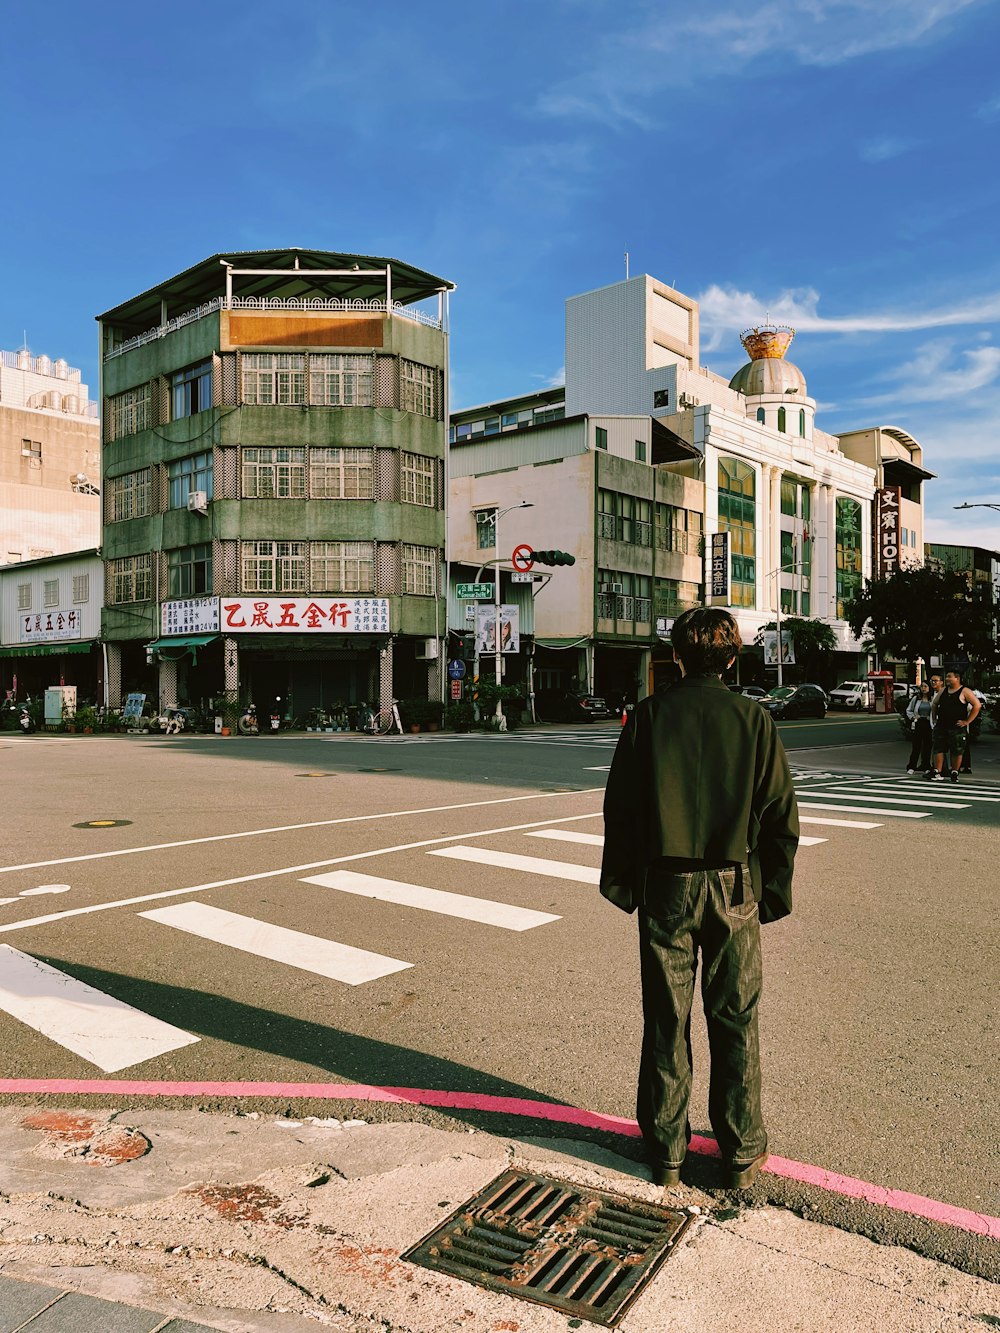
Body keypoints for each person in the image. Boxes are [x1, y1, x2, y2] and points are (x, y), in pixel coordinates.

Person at [600, 607, 799, 1191]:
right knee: (735, 1016)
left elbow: (623, 808)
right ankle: (740, 1152)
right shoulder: (754, 719)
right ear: (732, 659)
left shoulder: (648, 718)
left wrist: (625, 882)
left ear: (677, 656)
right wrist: (770, 888)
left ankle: (666, 1150)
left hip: (666, 881)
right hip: (734, 881)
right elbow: (779, 813)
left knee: (667, 1017)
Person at [927, 668, 980, 783]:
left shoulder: (965, 691)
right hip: (941, 725)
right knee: (938, 748)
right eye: (946, 677)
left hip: (956, 727)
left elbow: (977, 705)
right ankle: (937, 770)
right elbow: (935, 704)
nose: (947, 679)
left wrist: (967, 721)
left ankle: (954, 771)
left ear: (957, 678)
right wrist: (935, 717)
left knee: (957, 750)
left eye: (949, 677)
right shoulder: (943, 691)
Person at [905, 681, 934, 774]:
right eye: (922, 686)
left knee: (927, 746)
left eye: (925, 686)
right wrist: (913, 718)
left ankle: (926, 765)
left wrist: (933, 718)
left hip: (929, 724)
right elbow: (909, 710)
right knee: (916, 746)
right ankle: (911, 766)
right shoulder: (916, 699)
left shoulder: (933, 699)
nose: (923, 688)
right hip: (919, 723)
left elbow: (937, 711)